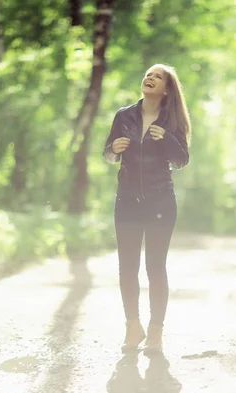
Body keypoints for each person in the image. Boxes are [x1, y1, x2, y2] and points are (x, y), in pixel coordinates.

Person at [103, 63, 191, 355]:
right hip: (127, 201)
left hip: (160, 202)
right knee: (127, 268)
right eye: (148, 74)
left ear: (166, 88)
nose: (149, 78)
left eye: (157, 76)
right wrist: (113, 148)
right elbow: (107, 154)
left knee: (155, 268)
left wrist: (165, 137)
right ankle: (132, 326)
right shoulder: (124, 115)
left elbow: (181, 160)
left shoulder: (172, 120)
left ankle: (155, 332)